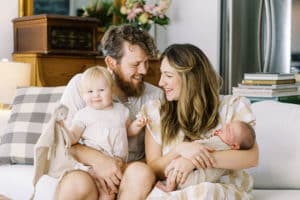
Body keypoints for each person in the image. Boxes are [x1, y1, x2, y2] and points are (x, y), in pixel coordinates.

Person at [53, 25, 163, 200]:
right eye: (135, 64)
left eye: (146, 62)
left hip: (129, 171)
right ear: (111, 62)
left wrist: (118, 167)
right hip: (88, 170)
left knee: (141, 173)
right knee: (76, 184)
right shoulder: (83, 86)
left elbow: (156, 154)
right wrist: (100, 161)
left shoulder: (155, 96)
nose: (143, 70)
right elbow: (63, 143)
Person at [143, 43, 258, 198]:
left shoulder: (233, 106)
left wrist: (193, 161)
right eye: (162, 74)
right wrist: (179, 150)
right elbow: (154, 168)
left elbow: (252, 158)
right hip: (174, 192)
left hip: (218, 190)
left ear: (191, 79)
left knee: (205, 192)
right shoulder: (155, 112)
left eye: (168, 76)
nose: (160, 83)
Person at [57, 66, 148, 199]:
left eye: (101, 90)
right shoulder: (83, 115)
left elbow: (128, 131)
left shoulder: (121, 110)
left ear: (111, 90)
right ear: (83, 95)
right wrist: (62, 127)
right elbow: (73, 138)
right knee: (97, 187)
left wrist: (137, 125)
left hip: (117, 165)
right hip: (92, 167)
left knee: (109, 194)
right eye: (90, 91)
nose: (96, 95)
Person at [155, 120, 256, 192]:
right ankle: (170, 186)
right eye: (228, 124)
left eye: (229, 131)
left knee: (178, 174)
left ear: (234, 145)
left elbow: (203, 147)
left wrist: (192, 145)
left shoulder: (222, 144)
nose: (225, 127)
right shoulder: (227, 151)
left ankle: (169, 187)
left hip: (197, 178)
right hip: (204, 176)